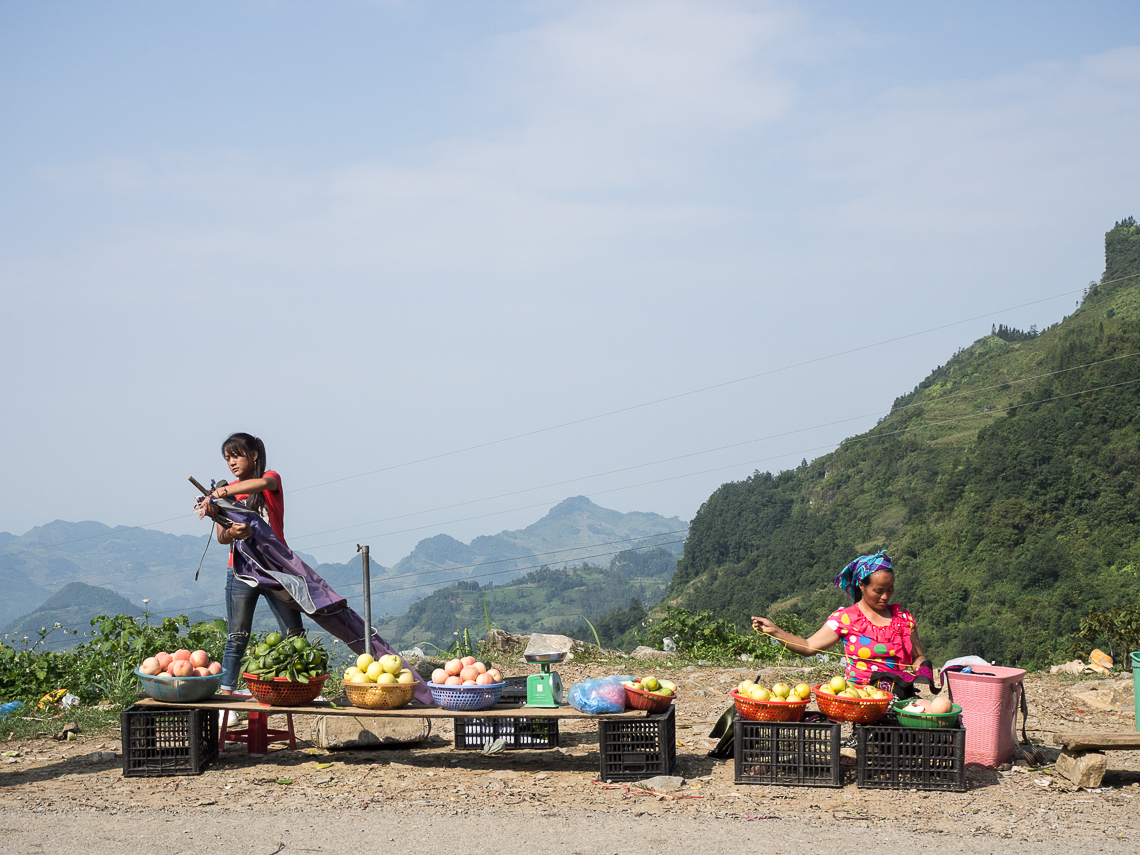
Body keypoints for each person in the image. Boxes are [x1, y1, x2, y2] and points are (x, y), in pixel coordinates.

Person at [751, 551, 937, 696]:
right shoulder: (845, 618)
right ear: (861, 586)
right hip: (862, 700)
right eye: (878, 590)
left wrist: (923, 667)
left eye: (890, 589)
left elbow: (917, 658)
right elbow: (809, 646)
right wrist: (775, 631)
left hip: (899, 696)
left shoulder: (903, 617)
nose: (885, 596)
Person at [204, 432, 306, 695]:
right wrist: (232, 533)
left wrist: (221, 492)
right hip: (240, 570)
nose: (232, 463)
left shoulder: (269, 479)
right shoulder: (228, 496)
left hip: (275, 570)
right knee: (236, 636)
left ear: (254, 454)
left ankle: (296, 691)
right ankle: (227, 697)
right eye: (227, 458)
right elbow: (220, 537)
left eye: (236, 455)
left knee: (294, 633)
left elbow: (263, 483)